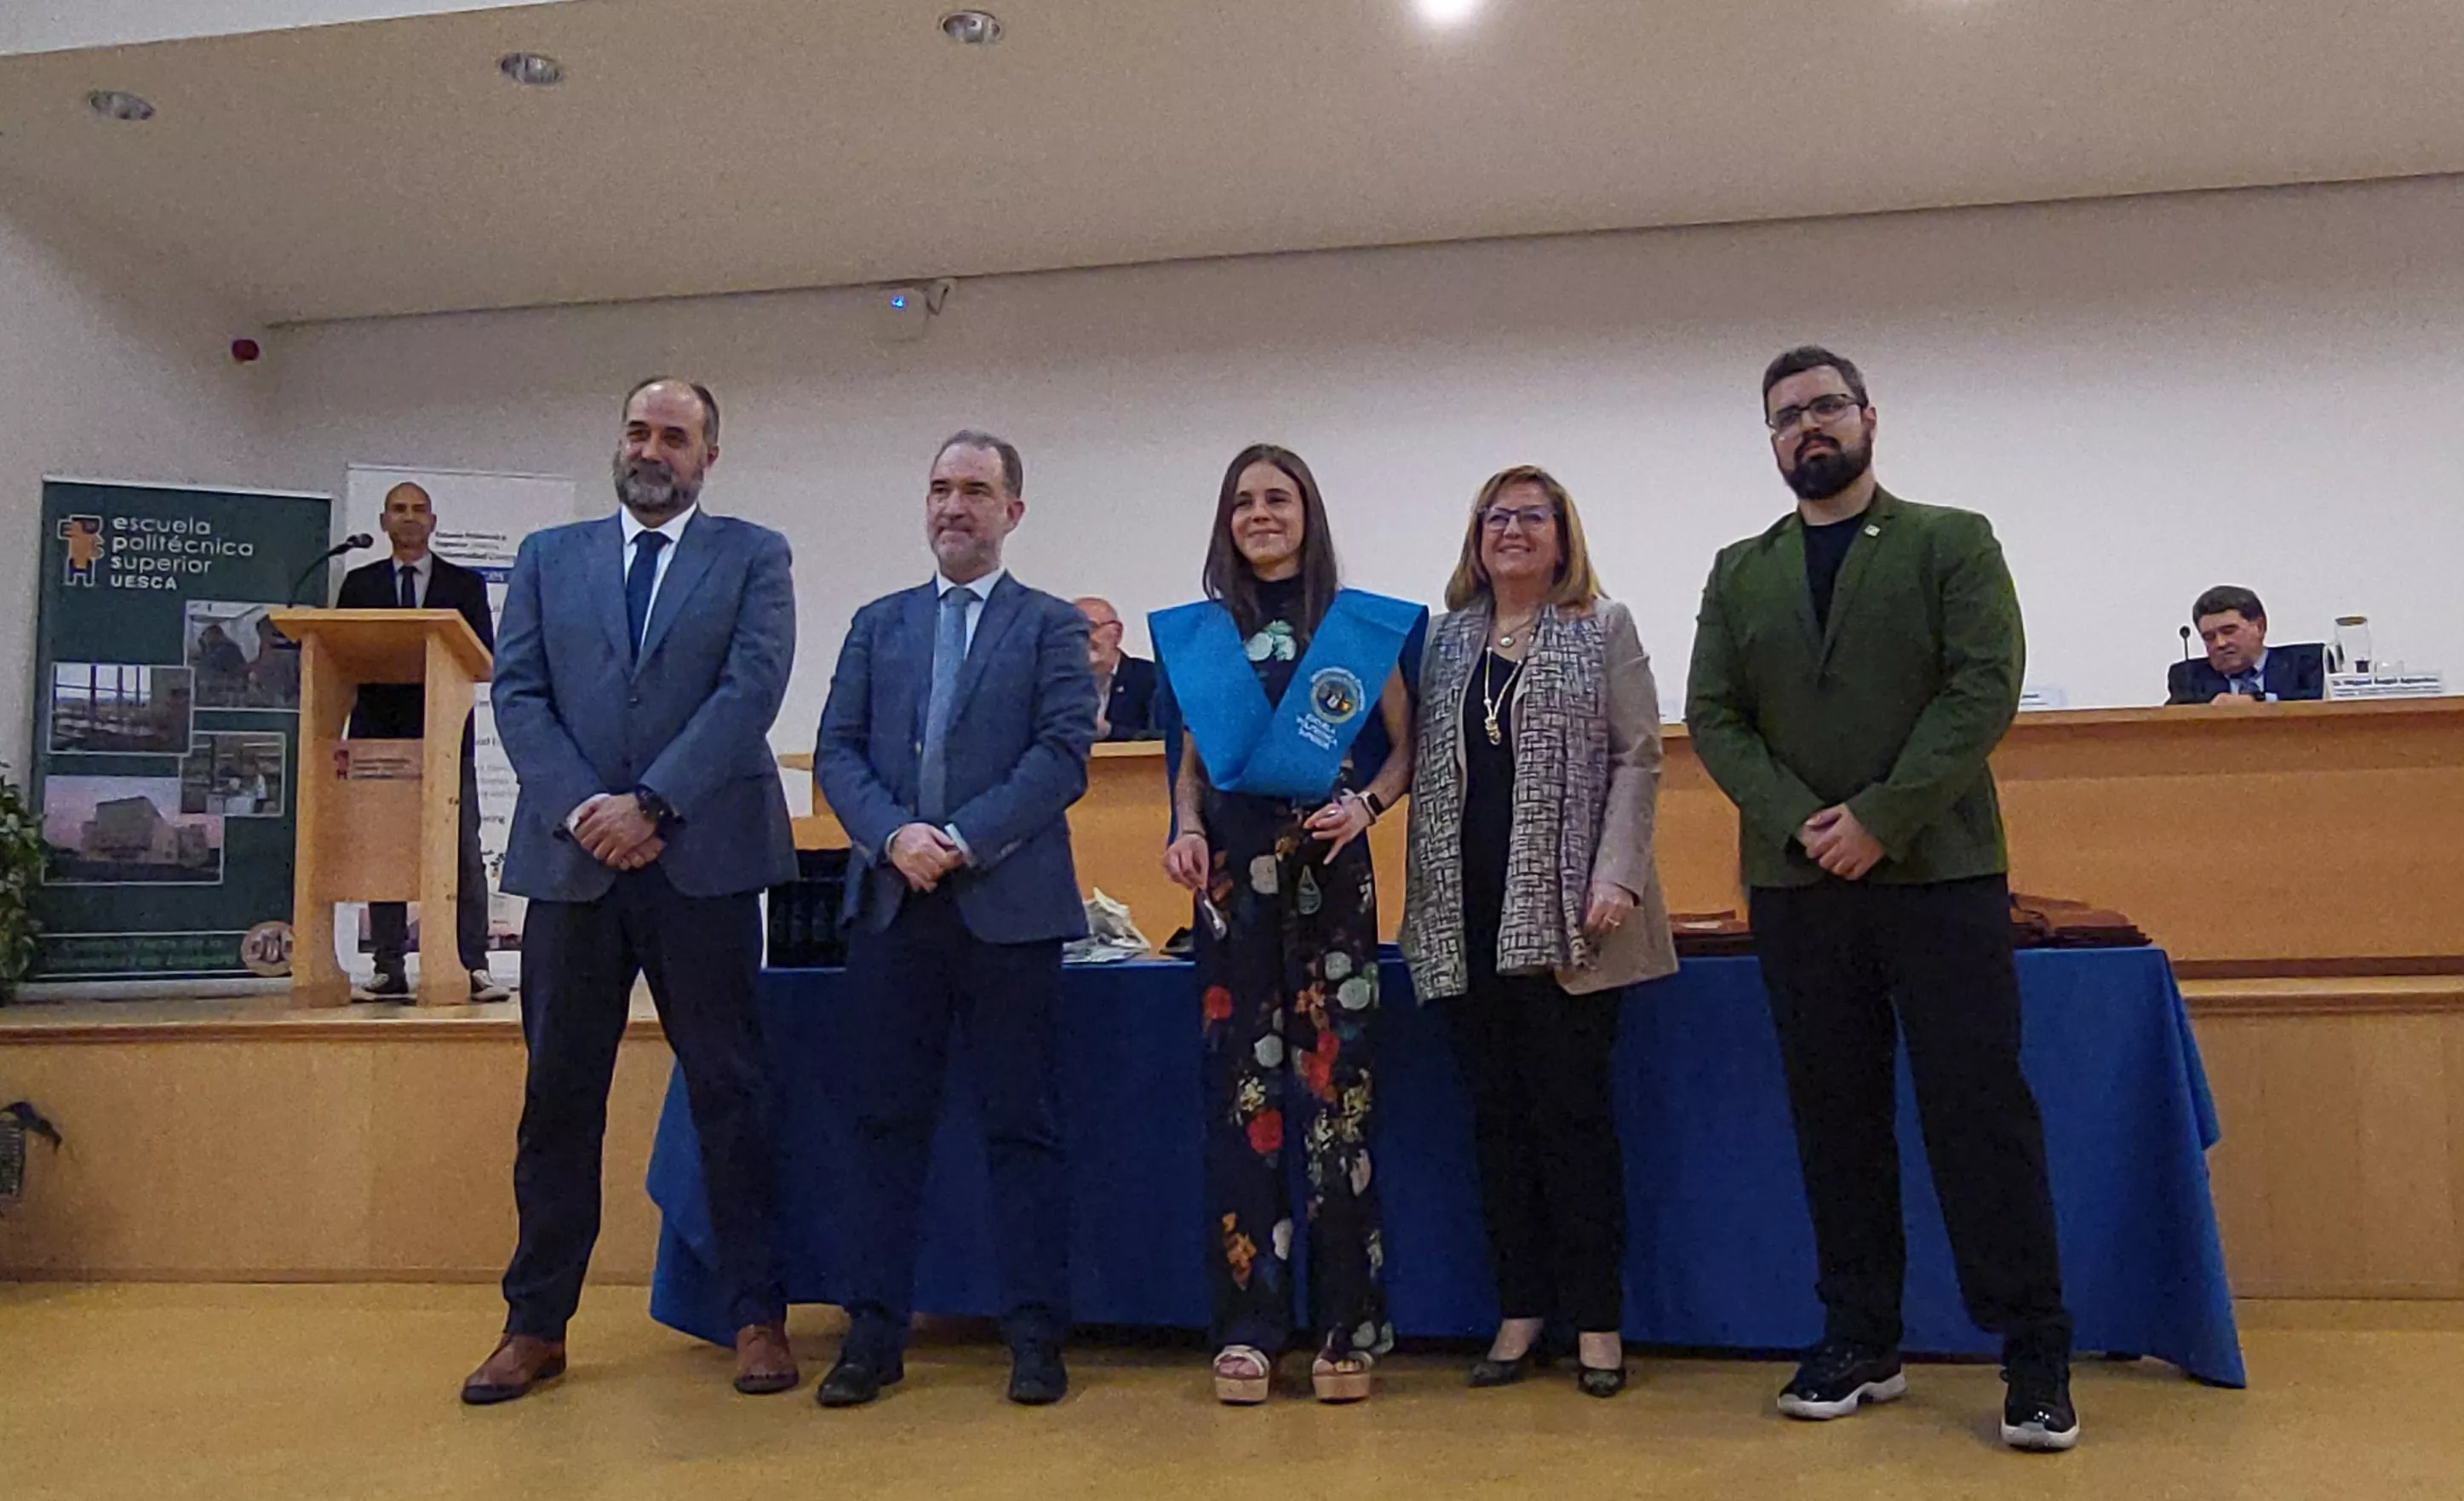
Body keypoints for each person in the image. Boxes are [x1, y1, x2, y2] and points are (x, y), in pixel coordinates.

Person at [1686, 347, 2078, 1452]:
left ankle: (2032, 1349)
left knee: (1977, 1114)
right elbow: (1714, 714)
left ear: (1866, 418)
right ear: (1769, 442)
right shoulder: (1738, 568)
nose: (1806, 428)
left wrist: (1880, 816)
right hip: (1798, 885)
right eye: (1783, 417)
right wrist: (1804, 820)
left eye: (1823, 407)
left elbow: (1980, 686)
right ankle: (1861, 1333)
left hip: (1938, 874)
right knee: (1833, 1117)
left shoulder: (1950, 540)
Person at [462, 378, 799, 1405]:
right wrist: (584, 810)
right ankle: (534, 1324)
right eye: (639, 430)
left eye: (676, 436)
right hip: (571, 867)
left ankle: (755, 1314)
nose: (652, 449)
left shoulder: (753, 554)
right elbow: (516, 691)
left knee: (728, 1092)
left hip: (701, 859)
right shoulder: (545, 558)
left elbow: (753, 688)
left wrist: (651, 803)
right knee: (557, 1100)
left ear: (709, 455)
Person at [814, 431, 1094, 1410]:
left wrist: (961, 838)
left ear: (1012, 510)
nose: (953, 506)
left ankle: (1033, 1335)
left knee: (1023, 1129)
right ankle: (871, 1335)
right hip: (894, 907)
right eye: (939, 488)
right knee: (884, 1125)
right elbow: (835, 752)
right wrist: (895, 837)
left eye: (975, 490)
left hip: (1006, 914)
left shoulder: (1051, 625)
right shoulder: (874, 623)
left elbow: (1062, 754)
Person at [1151, 444, 1421, 1406]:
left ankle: (1346, 1323)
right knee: (1241, 1106)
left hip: (1330, 881)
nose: (1260, 513)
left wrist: (1370, 810)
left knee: (1335, 1103)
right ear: (1225, 519)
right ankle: (1249, 1327)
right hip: (1230, 886)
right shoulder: (1201, 632)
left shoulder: (1354, 625)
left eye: (1278, 497)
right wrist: (1182, 828)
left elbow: (1405, 746)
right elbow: (1187, 758)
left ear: (1307, 511)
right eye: (1243, 500)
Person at [1399, 466, 1675, 1400]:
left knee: (1573, 1125)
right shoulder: (1442, 643)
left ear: (1562, 537)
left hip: (1574, 922)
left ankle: (1594, 1319)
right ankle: (1519, 1309)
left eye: (1531, 516)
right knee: (1495, 1126)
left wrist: (1617, 873)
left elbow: (1639, 754)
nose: (1510, 530)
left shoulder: (1601, 626)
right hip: (1462, 919)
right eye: (1494, 516)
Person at [335, 481, 505, 1002]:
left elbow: (483, 658)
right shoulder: (359, 584)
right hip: (379, 736)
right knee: (387, 848)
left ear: (433, 522)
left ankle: (471, 965)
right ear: (385, 522)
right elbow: (341, 653)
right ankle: (389, 966)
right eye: (398, 510)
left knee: (462, 852)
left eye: (418, 510)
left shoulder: (464, 585)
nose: (408, 518)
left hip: (447, 734)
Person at [2165, 586, 2324, 703]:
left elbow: (2323, 700)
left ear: (2259, 627)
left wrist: (2255, 700)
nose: (2220, 643)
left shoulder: (2307, 662)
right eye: (2209, 637)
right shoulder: (2188, 676)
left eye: (2229, 631)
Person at [1074, 596, 1160, 741]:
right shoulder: (1052, 683)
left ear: (1117, 633)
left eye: (1091, 627)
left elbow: (1162, 737)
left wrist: (1109, 731)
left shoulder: (1151, 678)